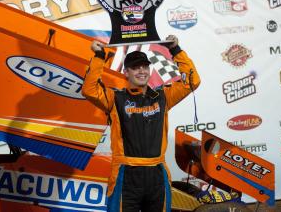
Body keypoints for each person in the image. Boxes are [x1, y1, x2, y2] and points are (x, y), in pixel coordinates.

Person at [82, 35, 200, 212]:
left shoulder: (163, 96)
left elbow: (192, 81)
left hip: (156, 174)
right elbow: (89, 89)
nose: (141, 71)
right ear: (126, 72)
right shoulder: (115, 98)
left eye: (145, 67)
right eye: (135, 68)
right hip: (125, 174)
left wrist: (175, 50)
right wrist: (99, 56)